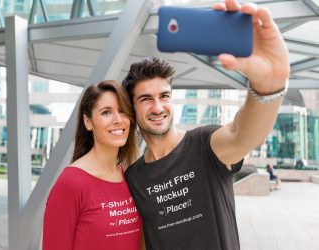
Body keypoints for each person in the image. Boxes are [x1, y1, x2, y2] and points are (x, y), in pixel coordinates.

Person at [122, 0, 290, 249]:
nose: (158, 107)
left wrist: (268, 87)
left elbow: (241, 135)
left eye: (164, 96)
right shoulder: (134, 177)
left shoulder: (203, 144)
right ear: (132, 109)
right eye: (146, 99)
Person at [43, 80, 143, 250]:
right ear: (88, 122)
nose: (118, 120)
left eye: (123, 111)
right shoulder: (71, 183)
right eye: (106, 112)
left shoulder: (130, 178)